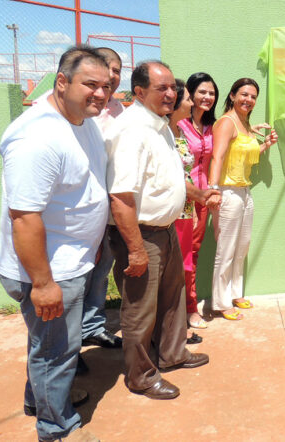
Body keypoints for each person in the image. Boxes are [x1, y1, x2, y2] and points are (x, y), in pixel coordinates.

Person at [0, 46, 110, 441]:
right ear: (62, 82)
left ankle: (40, 401)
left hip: (70, 262)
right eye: (90, 84)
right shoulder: (38, 136)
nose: (101, 93)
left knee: (49, 347)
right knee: (57, 354)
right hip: (49, 271)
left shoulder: (81, 120)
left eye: (107, 86)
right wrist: (43, 284)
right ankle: (56, 427)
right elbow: (24, 218)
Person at [106, 61, 212, 400]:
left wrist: (197, 194)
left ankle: (172, 353)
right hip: (141, 234)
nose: (172, 94)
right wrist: (135, 249)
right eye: (161, 88)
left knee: (172, 297)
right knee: (140, 308)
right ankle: (141, 376)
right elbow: (121, 196)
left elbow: (167, 177)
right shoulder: (131, 130)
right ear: (139, 92)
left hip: (164, 229)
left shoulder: (160, 125)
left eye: (172, 88)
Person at [207, 78, 278, 320]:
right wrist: (213, 190)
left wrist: (265, 144)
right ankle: (220, 301)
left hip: (244, 192)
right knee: (225, 250)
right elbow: (217, 157)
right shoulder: (226, 123)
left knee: (242, 246)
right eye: (244, 94)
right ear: (233, 95)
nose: (249, 100)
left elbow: (246, 155)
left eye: (253, 96)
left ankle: (235, 293)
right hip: (227, 192)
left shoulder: (244, 123)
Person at [79, 47, 124, 357]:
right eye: (108, 67)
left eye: (118, 69)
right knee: (78, 272)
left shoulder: (120, 110)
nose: (112, 74)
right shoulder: (81, 110)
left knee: (103, 267)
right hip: (81, 207)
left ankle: (92, 326)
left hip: (110, 205)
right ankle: (69, 342)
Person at [178, 72, 219, 329]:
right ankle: (188, 308)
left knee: (194, 252)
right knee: (184, 256)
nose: (207, 97)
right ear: (190, 94)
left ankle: (187, 305)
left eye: (212, 93)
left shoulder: (210, 127)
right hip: (184, 199)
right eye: (202, 92)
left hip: (204, 200)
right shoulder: (178, 124)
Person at [168, 79, 204, 345]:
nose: (192, 103)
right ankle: (173, 330)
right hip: (170, 213)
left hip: (184, 211)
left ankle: (177, 326)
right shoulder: (163, 133)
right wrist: (202, 195)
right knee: (174, 270)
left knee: (183, 267)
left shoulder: (179, 130)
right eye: (189, 99)